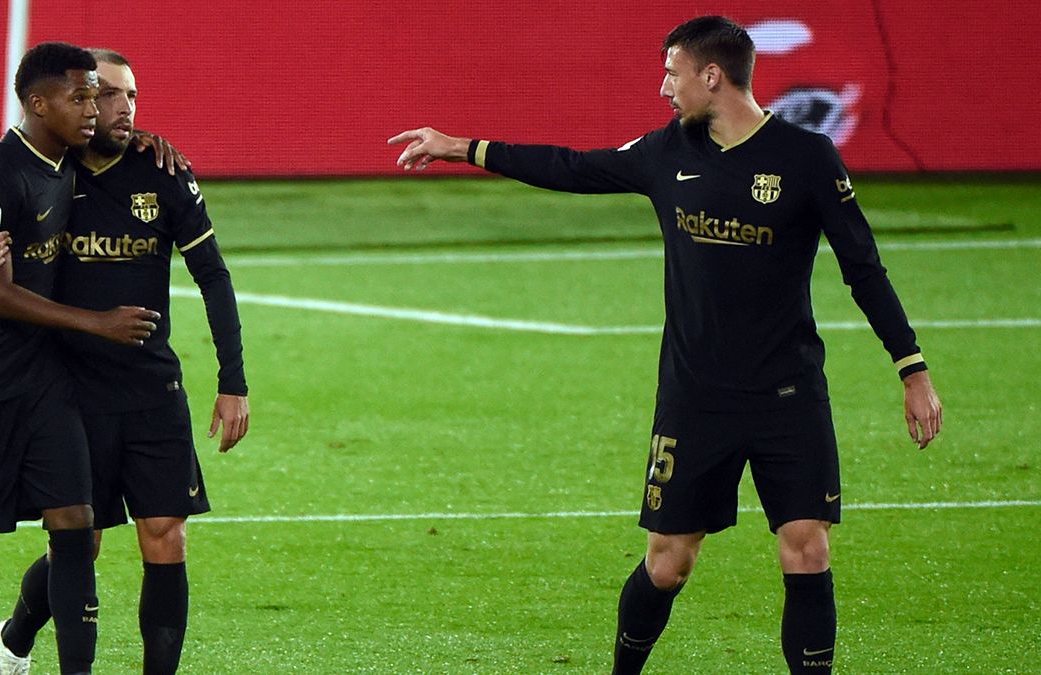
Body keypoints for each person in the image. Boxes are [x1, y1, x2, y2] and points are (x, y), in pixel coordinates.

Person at [388, 15, 942, 674]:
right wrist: (462, 146)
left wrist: (912, 369)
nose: (663, 88)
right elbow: (572, 166)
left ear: (713, 75)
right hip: (695, 398)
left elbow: (863, 267)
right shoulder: (668, 153)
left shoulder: (805, 158)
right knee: (669, 562)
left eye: (673, 72)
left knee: (807, 548)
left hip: (789, 395)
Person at [0, 48, 249, 675]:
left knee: (167, 534)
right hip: (70, 385)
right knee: (83, 544)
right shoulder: (50, 165)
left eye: (132, 96)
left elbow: (212, 273)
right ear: (77, 100)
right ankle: (16, 635)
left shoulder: (163, 171)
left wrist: (232, 381)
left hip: (152, 383)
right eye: (107, 95)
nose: (122, 108)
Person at [0, 42, 162, 675]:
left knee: (77, 528)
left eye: (97, 95)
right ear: (37, 103)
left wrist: (153, 143)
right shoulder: (1, 172)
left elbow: (118, 142)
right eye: (80, 97)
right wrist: (96, 323)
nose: (94, 108)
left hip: (43, 382)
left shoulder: (67, 156)